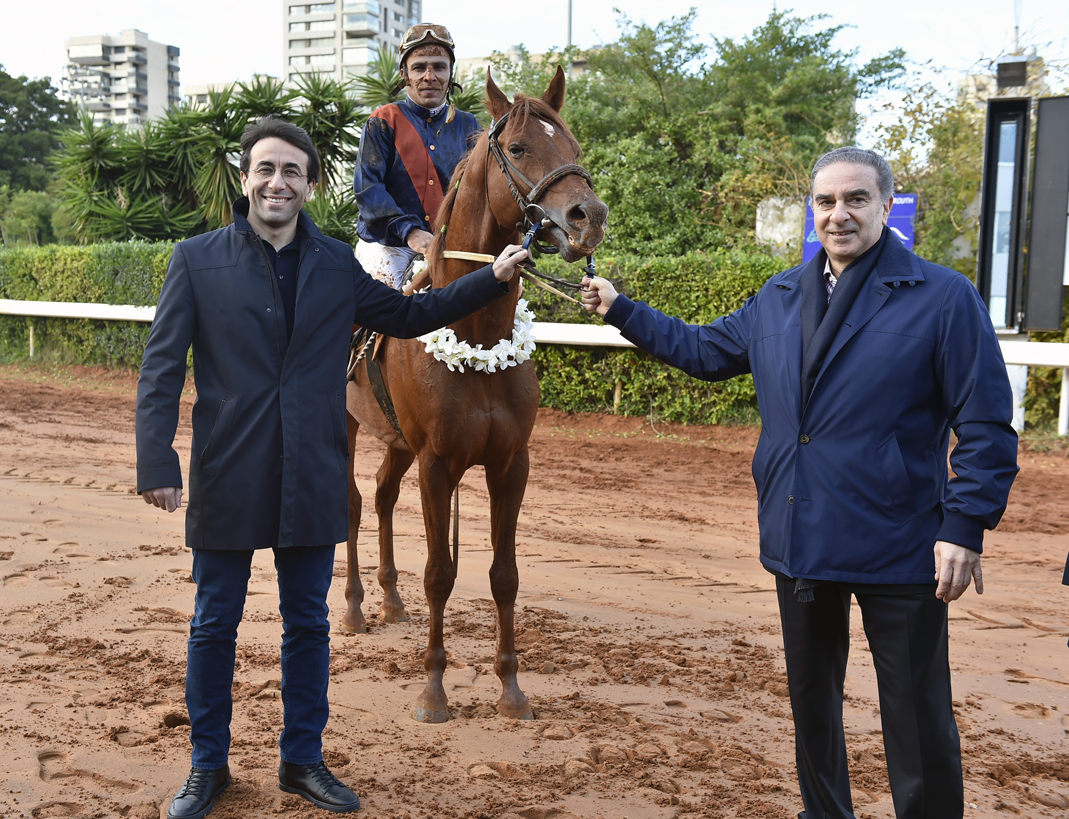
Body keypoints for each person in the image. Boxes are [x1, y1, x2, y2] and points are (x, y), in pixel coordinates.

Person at [581, 147, 1019, 819]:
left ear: (886, 206)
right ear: (812, 210)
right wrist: (621, 309)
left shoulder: (942, 296)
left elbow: (986, 421)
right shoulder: (779, 295)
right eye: (825, 201)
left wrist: (964, 525)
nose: (838, 214)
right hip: (800, 532)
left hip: (901, 541)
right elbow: (703, 350)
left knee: (917, 717)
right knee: (812, 707)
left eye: (855, 199)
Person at [136, 115, 528, 819]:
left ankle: (302, 761)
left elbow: (412, 316)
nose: (277, 182)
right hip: (228, 467)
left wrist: (491, 280)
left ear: (311, 185)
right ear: (246, 179)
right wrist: (156, 457)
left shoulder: (335, 263)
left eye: (292, 170)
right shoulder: (195, 259)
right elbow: (161, 368)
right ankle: (207, 765)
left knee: (307, 624)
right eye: (265, 168)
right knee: (214, 623)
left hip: (313, 467)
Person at [352, 23, 480, 290]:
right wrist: (409, 231)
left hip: (451, 245)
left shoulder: (469, 125)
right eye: (419, 67)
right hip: (389, 246)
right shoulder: (382, 121)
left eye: (439, 67)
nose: (429, 76)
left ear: (450, 73)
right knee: (379, 309)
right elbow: (368, 188)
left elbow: (481, 192)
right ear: (405, 74)